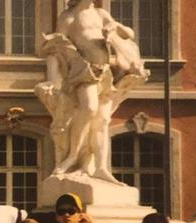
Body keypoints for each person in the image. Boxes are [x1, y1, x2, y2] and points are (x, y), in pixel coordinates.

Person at [37, 0, 149, 182]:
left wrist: (115, 26)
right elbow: (56, 49)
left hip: (106, 73)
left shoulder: (100, 14)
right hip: (83, 72)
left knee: (103, 120)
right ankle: (72, 157)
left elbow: (129, 34)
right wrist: (52, 79)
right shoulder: (69, 17)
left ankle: (100, 167)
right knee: (89, 109)